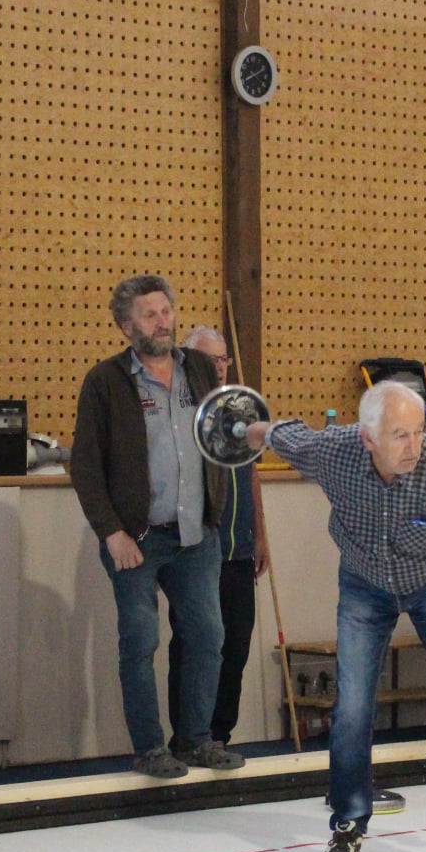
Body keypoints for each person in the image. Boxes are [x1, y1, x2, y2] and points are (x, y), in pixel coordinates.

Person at [247, 381, 426, 852]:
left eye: (419, 431)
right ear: (368, 437)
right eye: (400, 435)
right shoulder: (336, 451)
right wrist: (250, 430)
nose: (414, 446)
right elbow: (287, 437)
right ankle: (348, 825)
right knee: (353, 705)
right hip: (365, 583)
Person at [70, 275, 243, 778]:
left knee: (207, 637)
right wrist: (112, 533)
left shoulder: (201, 370)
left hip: (196, 535)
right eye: (150, 315)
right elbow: (85, 466)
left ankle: (195, 740)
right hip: (136, 539)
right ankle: (150, 748)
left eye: (166, 311)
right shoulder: (105, 382)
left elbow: (222, 434)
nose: (163, 322)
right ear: (126, 326)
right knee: (140, 641)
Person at [165, 326, 268, 761]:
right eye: (212, 359)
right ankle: (188, 737)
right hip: (197, 552)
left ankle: (219, 736)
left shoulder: (238, 411)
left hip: (239, 552)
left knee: (236, 646)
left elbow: (252, 472)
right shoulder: (181, 411)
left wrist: (261, 534)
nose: (220, 366)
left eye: (224, 358)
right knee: (195, 644)